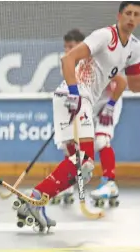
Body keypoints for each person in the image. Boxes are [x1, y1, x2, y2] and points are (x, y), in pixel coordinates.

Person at [14, 1, 140, 232]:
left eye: (137, 15)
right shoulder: (104, 36)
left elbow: (133, 86)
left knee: (82, 163)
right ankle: (36, 198)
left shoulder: (134, 47)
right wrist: (74, 93)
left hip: (81, 100)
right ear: (119, 15)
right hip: (75, 95)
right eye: (128, 13)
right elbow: (67, 60)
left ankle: (35, 200)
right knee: (85, 161)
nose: (132, 18)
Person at [51, 29, 124, 207]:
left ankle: (110, 183)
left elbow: (122, 83)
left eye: (72, 46)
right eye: (65, 47)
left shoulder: (96, 61)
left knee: (100, 141)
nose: (68, 50)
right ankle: (68, 183)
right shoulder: (70, 67)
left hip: (107, 104)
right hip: (87, 106)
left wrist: (111, 106)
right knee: (67, 142)